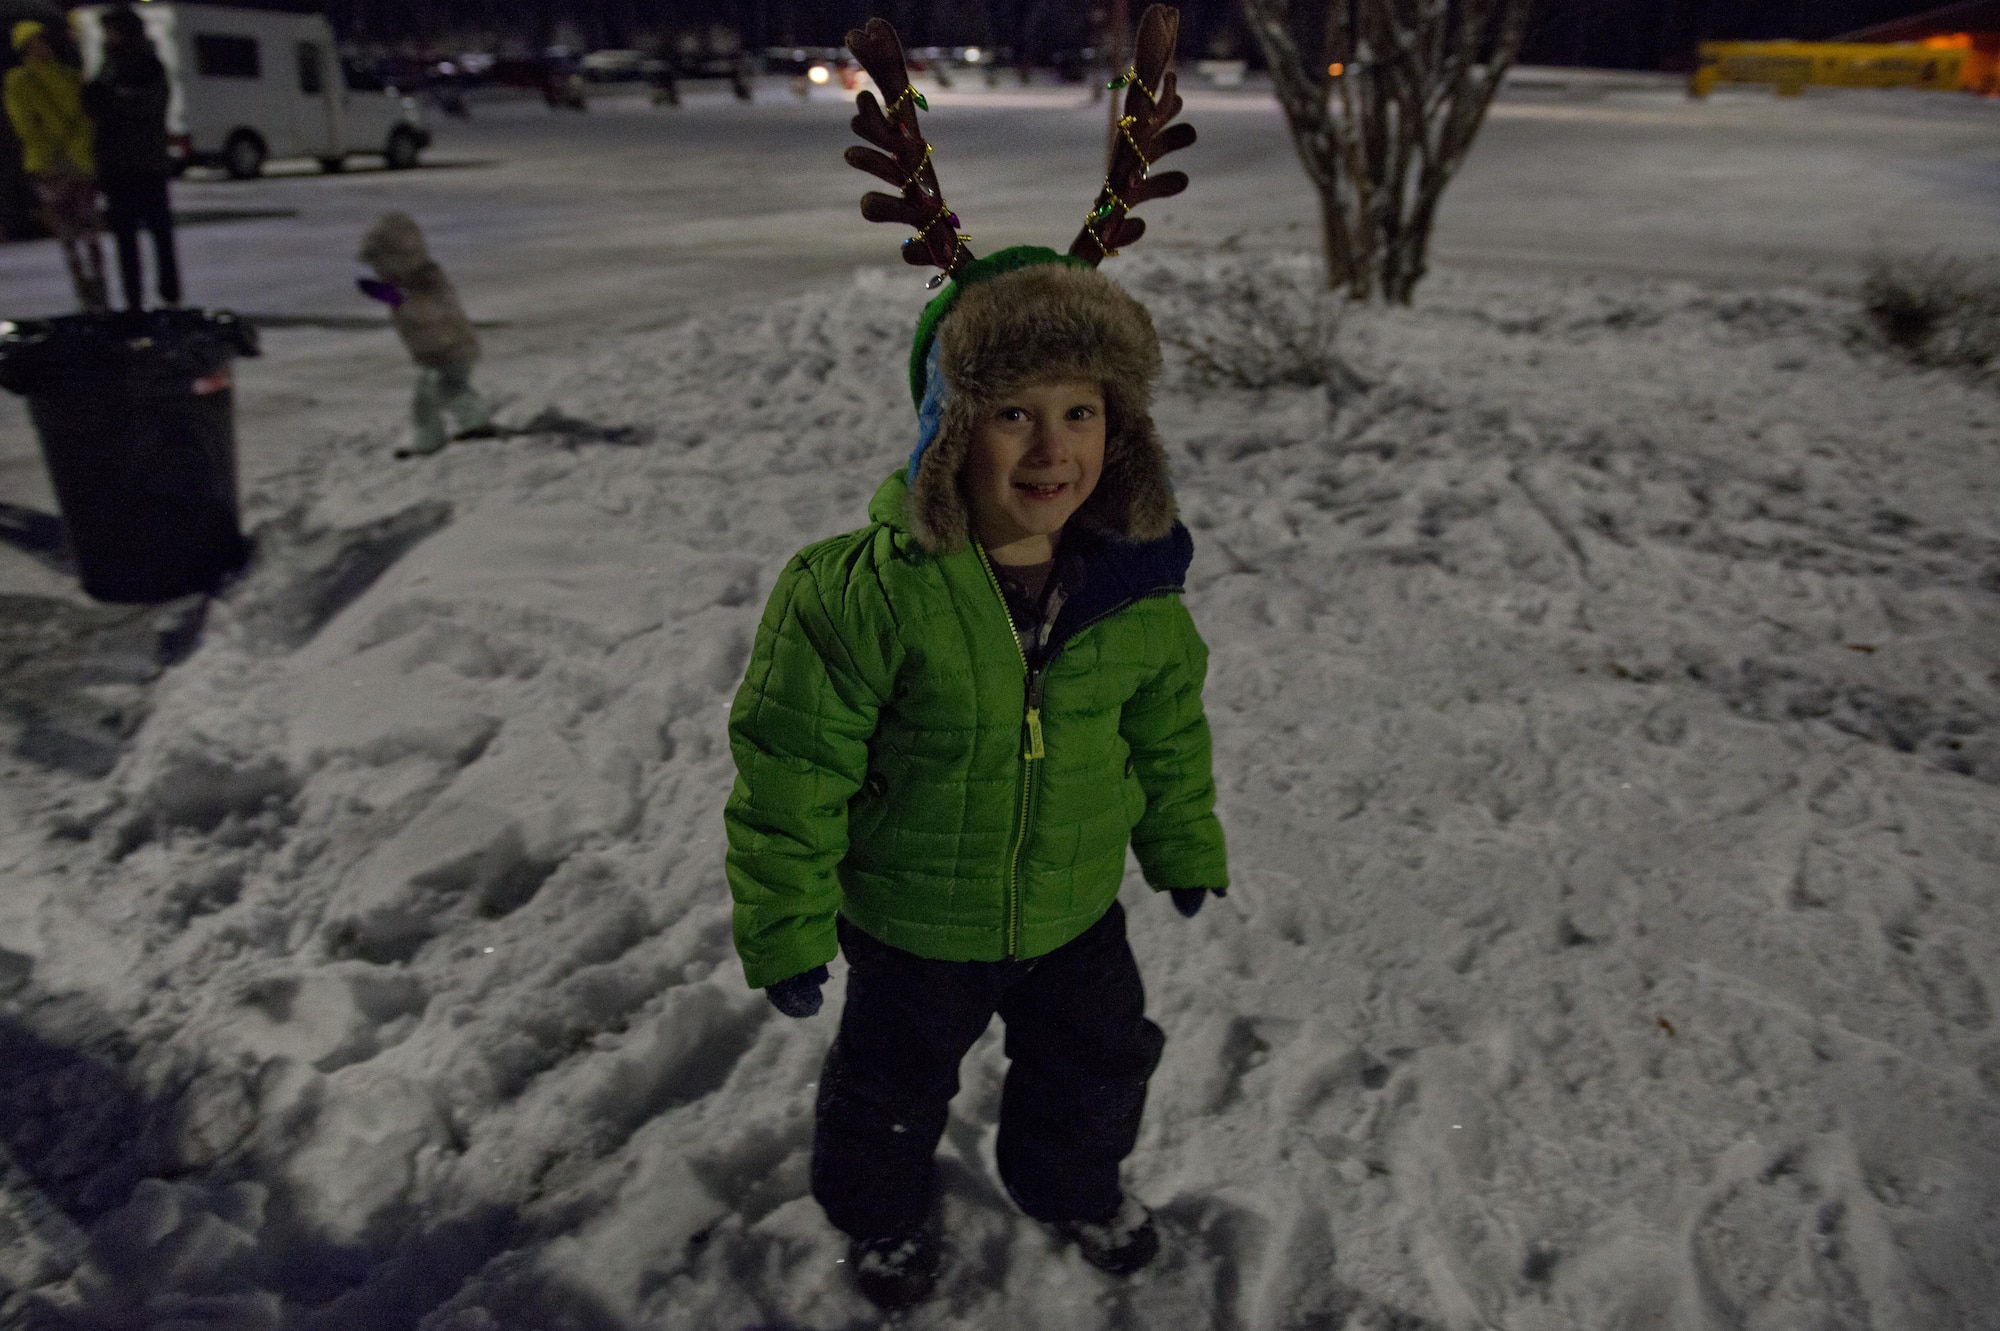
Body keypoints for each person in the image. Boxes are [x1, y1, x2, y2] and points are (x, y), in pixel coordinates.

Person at [724, 243, 1231, 1310]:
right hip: (914, 923)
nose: (1052, 448)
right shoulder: (860, 595)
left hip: (1074, 906)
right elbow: (793, 766)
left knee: (1097, 1068)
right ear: (946, 429)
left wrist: (1181, 839)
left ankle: (1071, 1184)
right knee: (887, 1090)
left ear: (1120, 429)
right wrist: (785, 919)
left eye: (1081, 413)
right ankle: (881, 1217)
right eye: (1013, 414)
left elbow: (1166, 724)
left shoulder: (1134, 585)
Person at [355, 211, 493, 457]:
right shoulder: (403, 286)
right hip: (431, 353)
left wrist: (397, 299)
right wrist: (392, 296)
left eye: (382, 265)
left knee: (448, 390)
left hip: (454, 349)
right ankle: (429, 439)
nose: (379, 272)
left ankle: (477, 424)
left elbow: (431, 309)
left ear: (402, 258)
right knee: (425, 399)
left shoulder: (429, 279)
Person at [80, 6, 179, 312]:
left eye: (114, 29)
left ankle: (169, 293)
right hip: (115, 166)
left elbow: (151, 106)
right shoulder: (108, 65)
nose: (110, 36)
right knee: (125, 240)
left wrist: (111, 99)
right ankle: (133, 299)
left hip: (146, 164)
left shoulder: (149, 65)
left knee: (160, 234)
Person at [5, 20, 107, 312]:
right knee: (68, 233)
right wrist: (55, 147)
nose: (40, 46)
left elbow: (85, 117)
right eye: (33, 42)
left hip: (76, 161)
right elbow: (24, 124)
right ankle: (83, 293)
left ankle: (99, 290)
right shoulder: (18, 80)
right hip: (50, 163)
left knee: (89, 230)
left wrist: (77, 141)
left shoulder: (68, 75)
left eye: (42, 40)